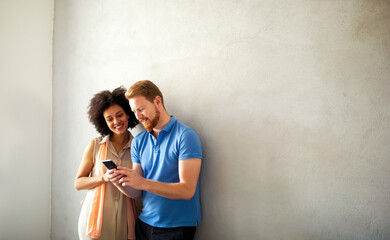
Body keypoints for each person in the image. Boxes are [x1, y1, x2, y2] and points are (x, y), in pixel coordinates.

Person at [108, 80, 203, 240]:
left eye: (141, 109)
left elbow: (187, 190)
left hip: (176, 228)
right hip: (144, 224)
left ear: (157, 102)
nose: (138, 116)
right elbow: (137, 192)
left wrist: (142, 182)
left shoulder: (186, 136)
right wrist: (119, 182)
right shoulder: (138, 141)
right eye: (134, 111)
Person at [75, 87, 140, 240]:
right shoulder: (95, 145)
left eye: (119, 115)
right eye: (109, 119)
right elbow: (78, 183)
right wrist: (104, 177)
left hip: (127, 218)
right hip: (96, 217)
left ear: (128, 114)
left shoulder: (139, 146)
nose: (116, 122)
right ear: (103, 122)